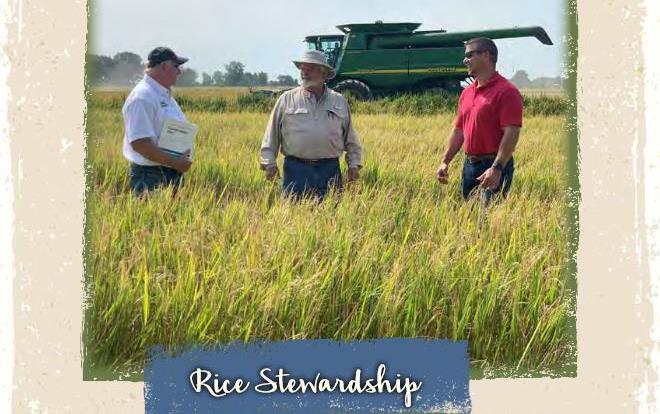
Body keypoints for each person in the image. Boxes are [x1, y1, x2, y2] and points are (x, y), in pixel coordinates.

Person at [260, 50, 362, 200]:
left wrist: (354, 164)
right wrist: (269, 163)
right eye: (302, 68)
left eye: (310, 69)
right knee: (293, 217)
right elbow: (271, 134)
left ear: (324, 73)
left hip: (330, 170)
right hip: (296, 170)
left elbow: (350, 137)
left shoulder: (339, 101)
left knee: (330, 217)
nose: (304, 73)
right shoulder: (286, 99)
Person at [436, 37, 523, 203]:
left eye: (469, 55)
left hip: (493, 166)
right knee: (469, 218)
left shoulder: (507, 92)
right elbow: (459, 130)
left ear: (486, 55)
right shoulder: (467, 93)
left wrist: (497, 168)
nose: (464, 60)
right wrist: (445, 162)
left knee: (489, 220)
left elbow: (512, 132)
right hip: (469, 165)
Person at [122, 46, 193, 195]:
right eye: (176, 66)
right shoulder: (142, 97)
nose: (179, 71)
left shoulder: (162, 94)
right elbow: (140, 144)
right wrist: (175, 162)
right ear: (164, 66)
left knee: (174, 218)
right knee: (153, 218)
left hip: (170, 172)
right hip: (150, 176)